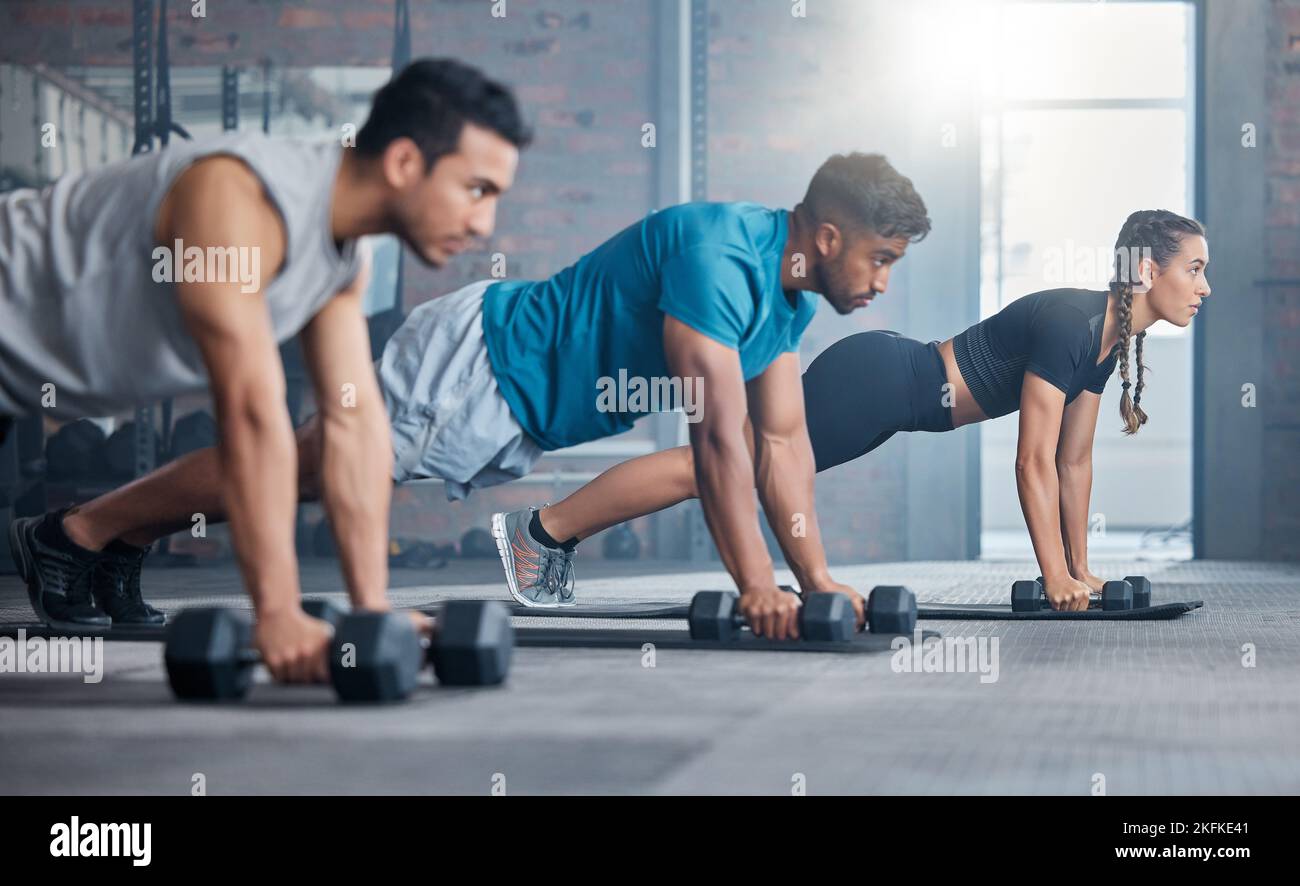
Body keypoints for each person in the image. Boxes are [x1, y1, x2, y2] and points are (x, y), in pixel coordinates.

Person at [37, 152, 932, 640]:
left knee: (300, 473)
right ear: (825, 235)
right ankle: (74, 532)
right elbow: (719, 448)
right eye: (882, 260)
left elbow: (784, 450)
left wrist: (812, 579)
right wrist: (754, 589)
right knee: (304, 469)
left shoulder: (783, 306)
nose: (885, 283)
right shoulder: (720, 259)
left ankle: (115, 537)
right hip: (480, 367)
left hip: (508, 398)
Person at [3, 58, 529, 681]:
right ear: (405, 163)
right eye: (477, 190)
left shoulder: (341, 259)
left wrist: (372, 612)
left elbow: (353, 423)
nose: (484, 223)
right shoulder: (235, 196)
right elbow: (252, 414)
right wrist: (275, 613)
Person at [531, 210, 1209, 612]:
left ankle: (549, 532)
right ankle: (544, 531)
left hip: (896, 396)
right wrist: (1053, 576)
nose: (1204, 287)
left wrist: (1080, 570)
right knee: (719, 467)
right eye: (1196, 269)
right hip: (881, 382)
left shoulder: (1108, 339)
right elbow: (1031, 459)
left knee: (726, 466)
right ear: (1148, 272)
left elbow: (1073, 461)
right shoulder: (1072, 322)